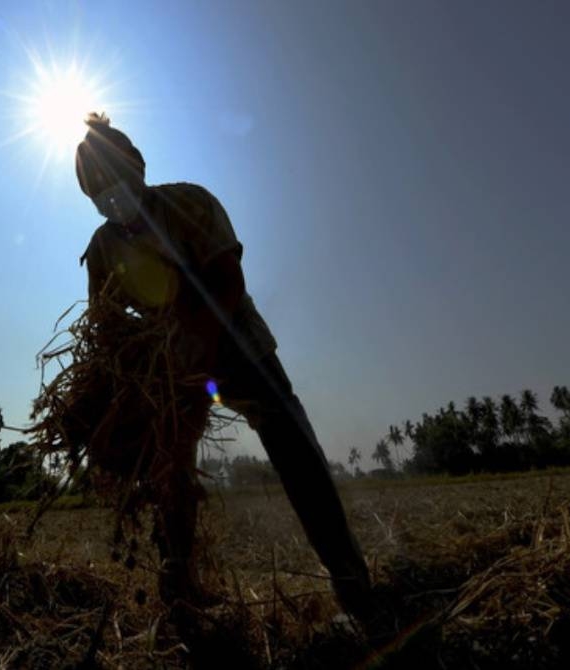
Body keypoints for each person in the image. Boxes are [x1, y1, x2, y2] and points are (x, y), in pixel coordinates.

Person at [74, 113, 375, 623]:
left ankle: (352, 583)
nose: (110, 196)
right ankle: (180, 589)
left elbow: (226, 279)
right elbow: (106, 327)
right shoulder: (104, 249)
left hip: (239, 347)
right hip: (174, 373)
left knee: (294, 448)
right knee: (171, 473)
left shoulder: (188, 203)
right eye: (97, 191)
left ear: (139, 167)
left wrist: (197, 344)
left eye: (115, 181)